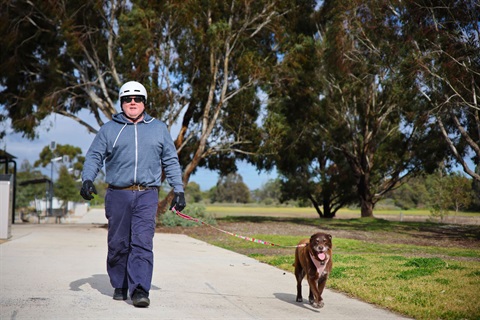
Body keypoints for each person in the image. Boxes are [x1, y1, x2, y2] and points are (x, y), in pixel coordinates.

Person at [80, 80, 186, 308]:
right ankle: (120, 284)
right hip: (118, 194)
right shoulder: (109, 129)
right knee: (118, 243)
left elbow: (170, 160)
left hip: (147, 194)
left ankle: (139, 289)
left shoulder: (158, 128)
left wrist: (178, 189)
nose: (133, 102)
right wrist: (87, 178)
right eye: (128, 99)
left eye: (137, 99)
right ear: (121, 103)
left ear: (144, 102)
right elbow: (94, 156)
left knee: (142, 241)